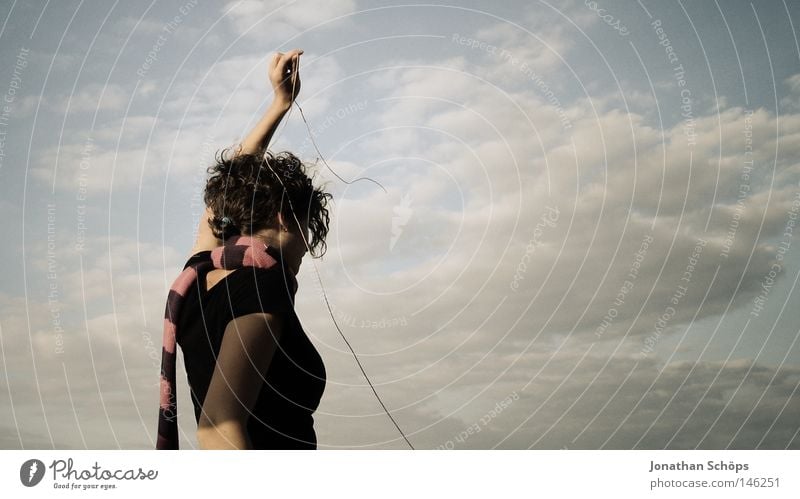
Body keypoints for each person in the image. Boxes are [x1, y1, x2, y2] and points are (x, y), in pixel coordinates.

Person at [158, 48, 333, 449]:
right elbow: (219, 426)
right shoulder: (261, 284)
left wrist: (280, 104)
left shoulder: (201, 275)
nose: (307, 247)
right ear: (289, 220)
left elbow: (223, 195)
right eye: (309, 227)